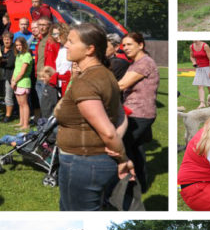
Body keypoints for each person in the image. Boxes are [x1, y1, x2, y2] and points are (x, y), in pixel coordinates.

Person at [54, 23, 132, 210]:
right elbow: (121, 116)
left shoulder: (88, 82)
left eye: (71, 42)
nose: (66, 45)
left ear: (90, 49)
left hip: (82, 164)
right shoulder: (105, 74)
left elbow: (108, 132)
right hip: (94, 162)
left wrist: (122, 158)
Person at [118, 32, 158, 197]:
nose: (125, 48)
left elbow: (121, 85)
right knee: (136, 149)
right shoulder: (137, 62)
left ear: (140, 45)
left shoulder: (144, 63)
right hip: (138, 111)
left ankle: (129, 184)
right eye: (124, 45)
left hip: (140, 113)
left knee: (124, 148)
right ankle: (140, 184)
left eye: (129, 44)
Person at [34, 18, 60, 119]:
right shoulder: (40, 40)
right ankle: (45, 125)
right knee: (43, 104)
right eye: (39, 25)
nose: (41, 27)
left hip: (48, 78)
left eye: (44, 25)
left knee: (48, 105)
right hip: (39, 77)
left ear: (49, 26)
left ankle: (50, 127)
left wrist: (52, 76)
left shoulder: (52, 40)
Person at [11, 37, 34, 131]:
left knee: (24, 104)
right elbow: (16, 69)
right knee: (20, 103)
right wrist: (12, 79)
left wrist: (15, 81)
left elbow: (22, 71)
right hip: (16, 82)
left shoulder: (27, 55)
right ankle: (21, 122)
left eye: (20, 45)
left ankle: (26, 124)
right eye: (16, 45)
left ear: (24, 45)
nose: (18, 47)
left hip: (23, 82)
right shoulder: (19, 55)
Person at [190, 41, 210, 108]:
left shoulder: (205, 46)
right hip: (199, 69)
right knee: (200, 86)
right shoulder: (191, 46)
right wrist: (194, 62)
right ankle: (202, 103)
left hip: (208, 68)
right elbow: (191, 57)